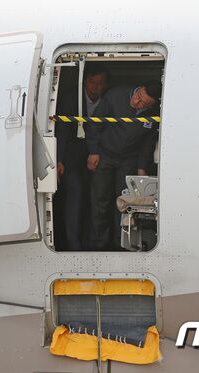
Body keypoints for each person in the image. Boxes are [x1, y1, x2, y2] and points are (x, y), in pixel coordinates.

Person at [86, 82, 161, 250]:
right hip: (104, 155)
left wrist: (141, 167)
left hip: (128, 160)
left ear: (152, 105)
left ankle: (120, 244)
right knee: (100, 201)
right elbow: (94, 123)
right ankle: (97, 245)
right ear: (140, 88)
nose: (137, 102)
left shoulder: (153, 114)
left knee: (124, 203)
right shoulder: (115, 94)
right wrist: (93, 151)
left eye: (143, 103)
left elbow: (147, 143)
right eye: (138, 96)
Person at [55, 65, 109, 250]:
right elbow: (61, 131)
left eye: (100, 83)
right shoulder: (72, 98)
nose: (95, 87)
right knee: (75, 199)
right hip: (71, 159)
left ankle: (94, 244)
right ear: (85, 82)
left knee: (96, 201)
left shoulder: (107, 100)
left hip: (100, 158)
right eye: (92, 82)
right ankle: (73, 244)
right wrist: (59, 160)